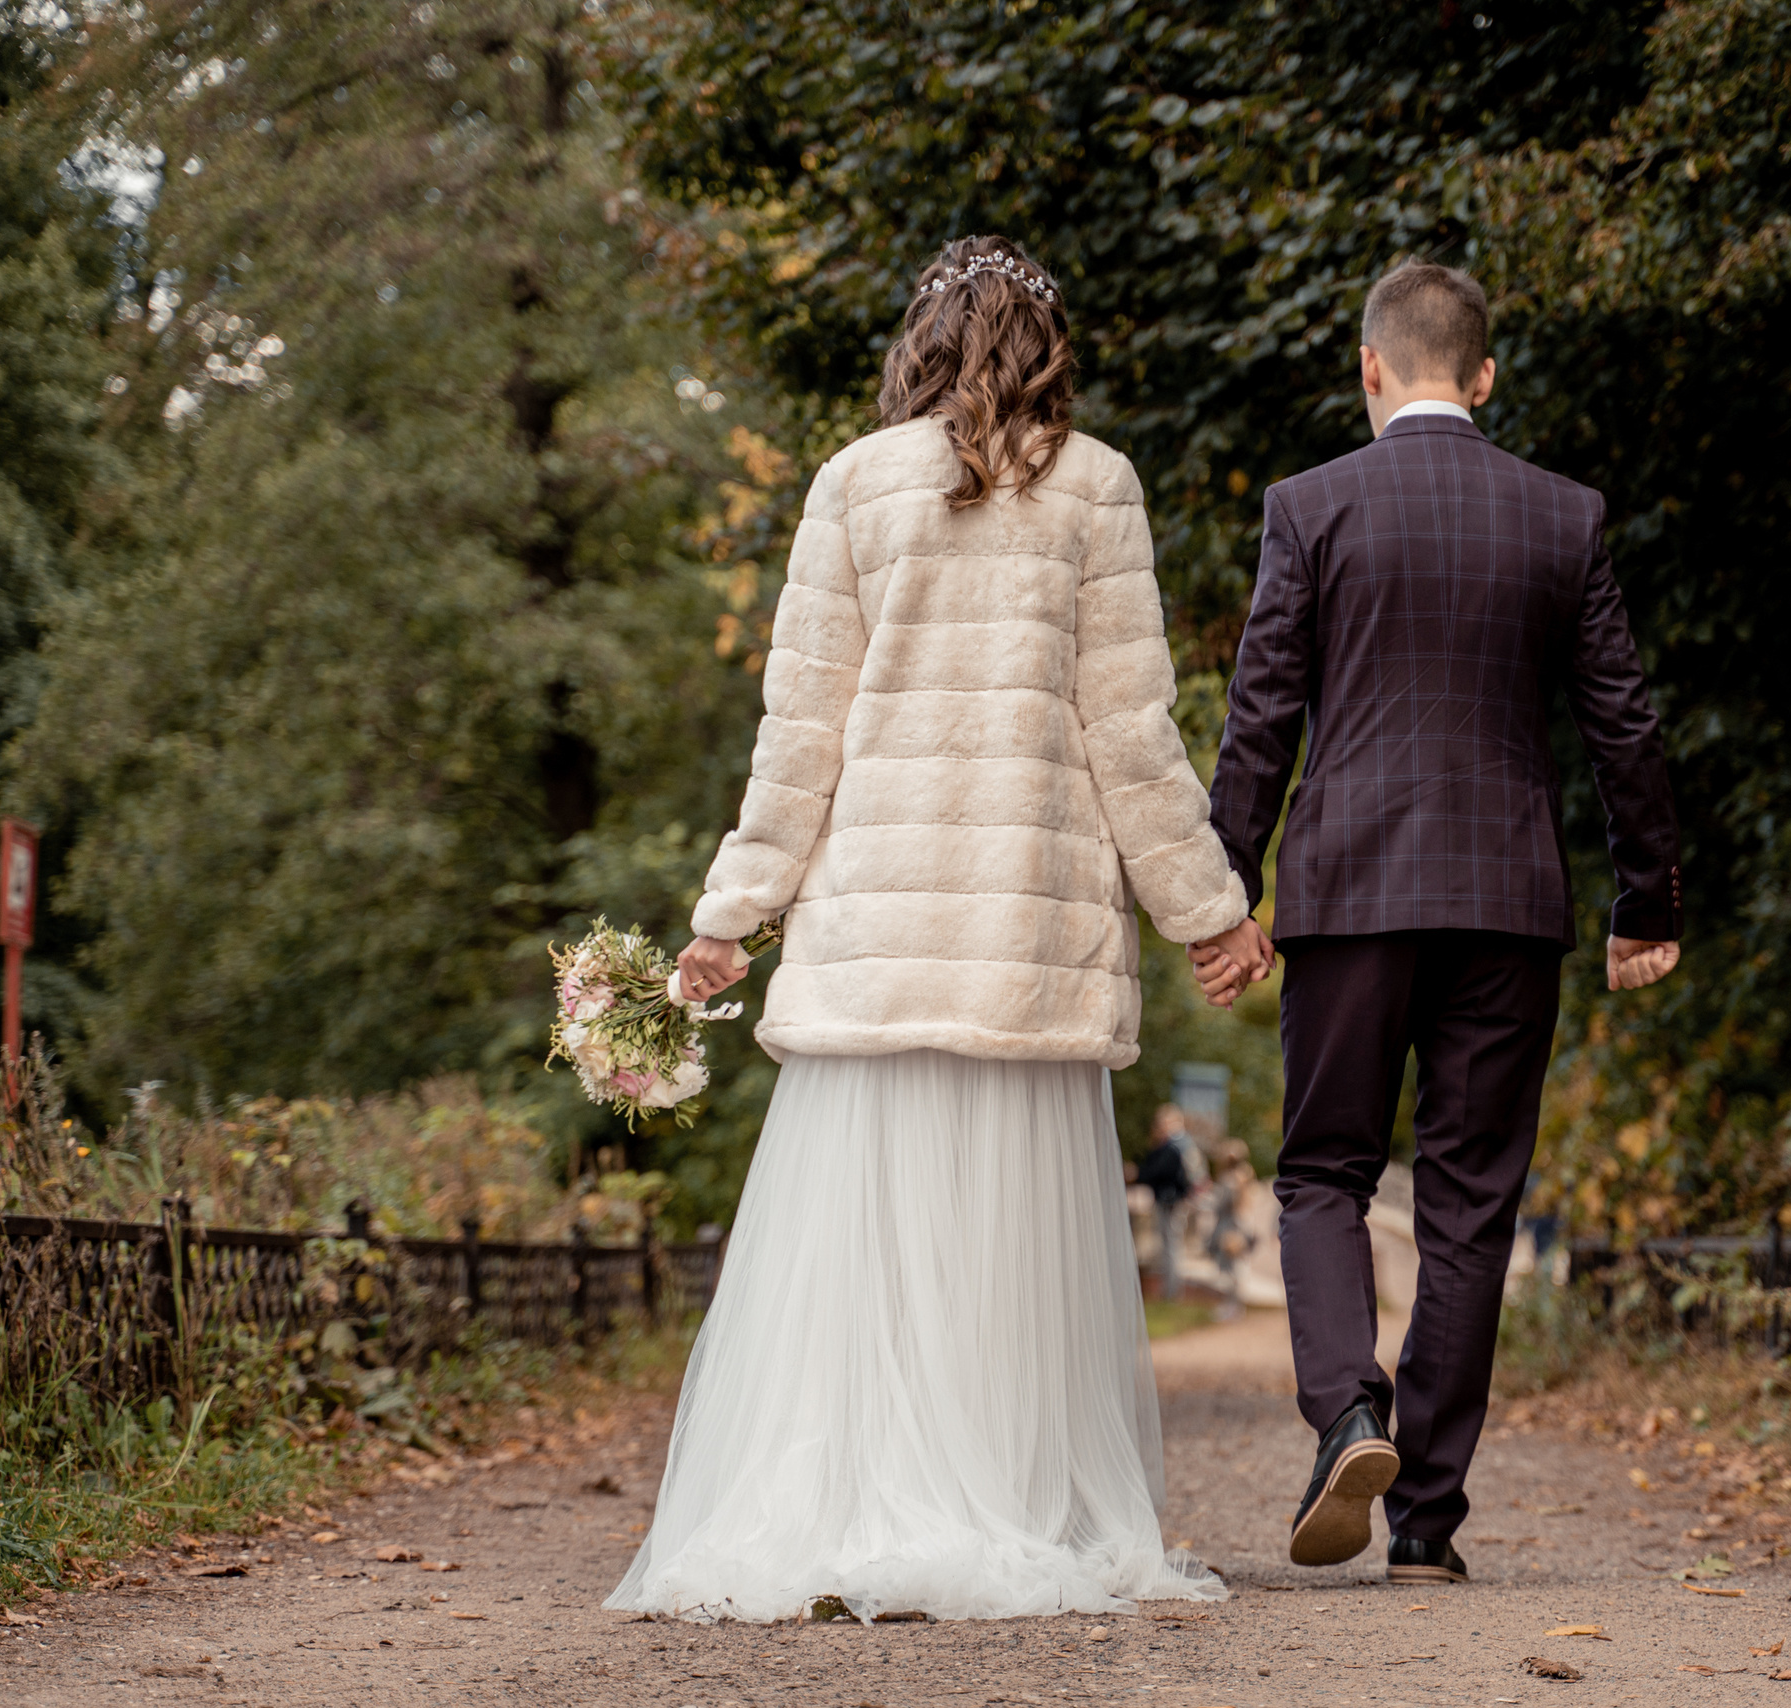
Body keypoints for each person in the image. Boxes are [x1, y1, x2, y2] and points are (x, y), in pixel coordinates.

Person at [608, 235, 1270, 1624]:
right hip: (1024, 951)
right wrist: (1211, 913)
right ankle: (1009, 1511)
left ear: (917, 347)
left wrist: (731, 914)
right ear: (1047, 345)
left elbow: (801, 737)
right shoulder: (1097, 487)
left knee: (864, 1260)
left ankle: (851, 1513)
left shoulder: (851, 486)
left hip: (877, 944)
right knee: (1011, 1268)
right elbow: (1130, 737)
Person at [1198, 259, 1681, 1588]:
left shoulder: (1311, 508)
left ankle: (1348, 1411)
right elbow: (1621, 719)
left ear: (1368, 367)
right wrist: (1650, 898)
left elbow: (1261, 718)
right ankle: (1426, 1528)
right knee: (1472, 1206)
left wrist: (1221, 895)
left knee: (1322, 1176)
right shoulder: (1561, 516)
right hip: (1507, 907)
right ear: (1483, 377)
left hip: (1349, 898)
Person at [1135, 1103, 1194, 1302]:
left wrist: (1137, 1174)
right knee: (1169, 1247)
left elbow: (1156, 1171)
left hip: (1171, 1201)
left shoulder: (1175, 1146)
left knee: (1171, 1247)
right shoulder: (1180, 1144)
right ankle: (1170, 1290)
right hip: (1172, 1200)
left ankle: (1172, 1292)